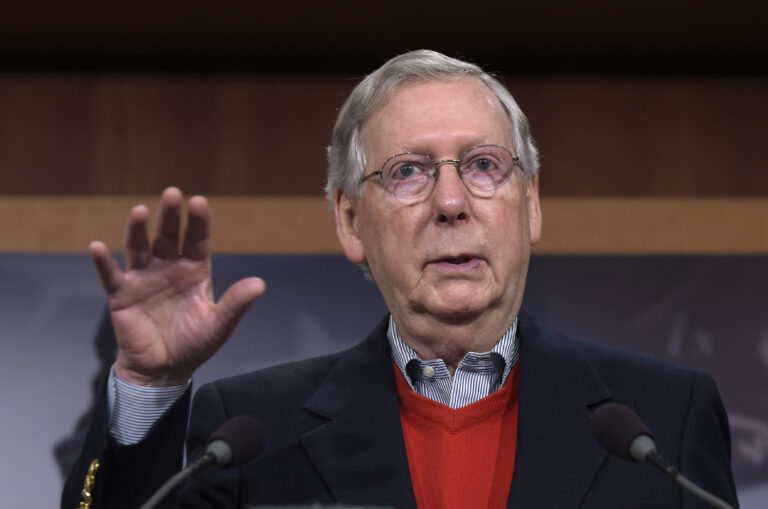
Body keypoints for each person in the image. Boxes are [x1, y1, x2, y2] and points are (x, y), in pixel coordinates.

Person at [62, 50, 738, 508]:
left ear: (530, 204)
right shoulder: (248, 430)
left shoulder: (661, 422)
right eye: (410, 172)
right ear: (351, 221)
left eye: (482, 164)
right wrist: (149, 388)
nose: (450, 202)